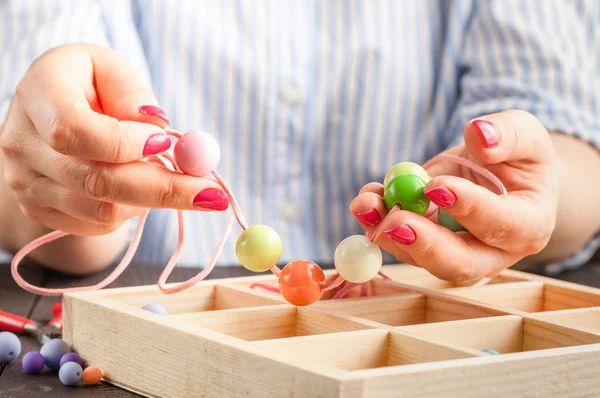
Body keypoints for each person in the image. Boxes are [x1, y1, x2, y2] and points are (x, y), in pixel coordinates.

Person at [0, 1, 598, 284]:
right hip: (140, 310)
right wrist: (62, 177)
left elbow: (559, 133)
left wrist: (525, 192)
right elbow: (30, 150)